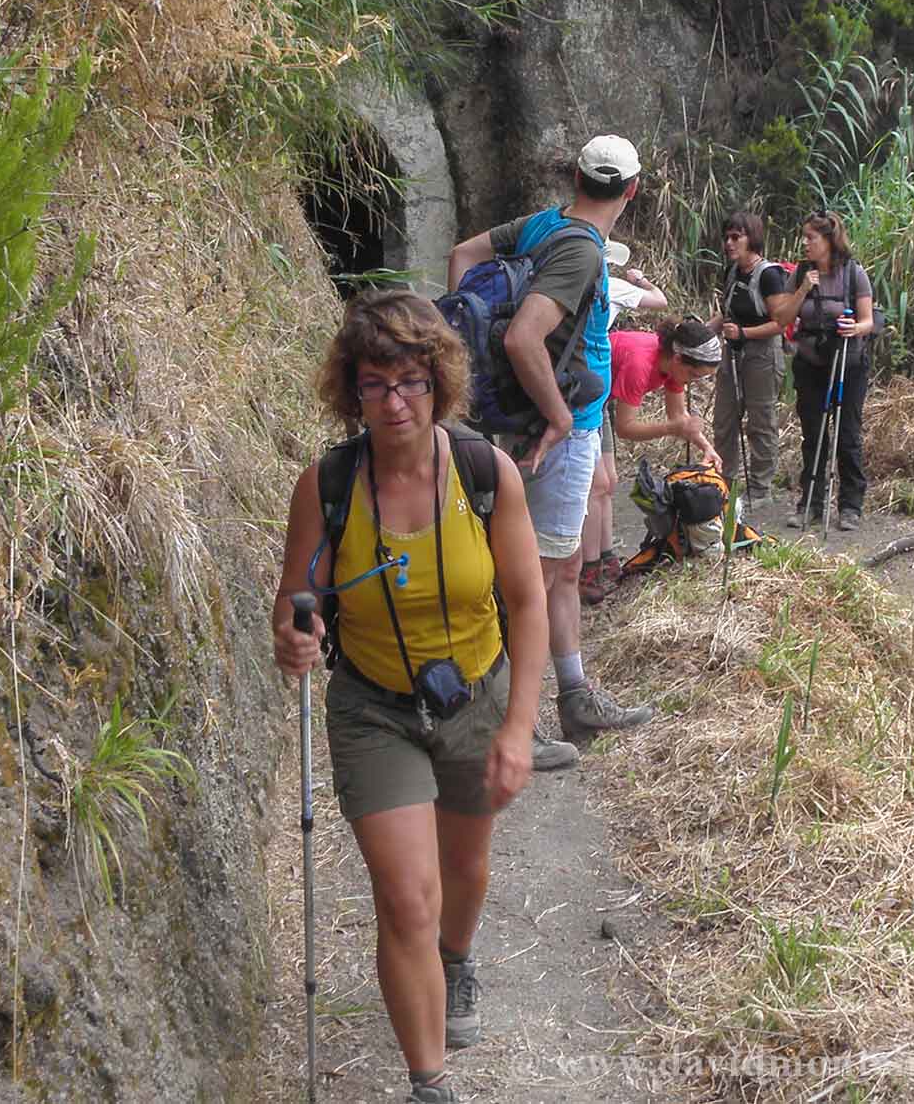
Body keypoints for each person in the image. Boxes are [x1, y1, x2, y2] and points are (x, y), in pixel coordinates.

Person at [272, 290, 548, 1104]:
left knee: (464, 867)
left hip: (475, 693)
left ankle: (456, 962)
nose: (394, 401)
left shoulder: (482, 472)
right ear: (348, 391)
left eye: (411, 381)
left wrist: (521, 727)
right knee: (405, 897)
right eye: (374, 384)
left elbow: (528, 600)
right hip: (373, 707)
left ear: (439, 383)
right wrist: (294, 637)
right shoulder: (325, 486)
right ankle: (430, 1083)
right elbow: (297, 603)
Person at [445, 134, 654, 771]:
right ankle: (514, 723)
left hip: (544, 419)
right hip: (559, 426)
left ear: (576, 176)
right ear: (632, 191)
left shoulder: (543, 224)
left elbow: (463, 254)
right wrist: (559, 417)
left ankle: (574, 694)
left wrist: (466, 359)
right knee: (531, 579)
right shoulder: (583, 252)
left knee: (559, 571)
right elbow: (525, 338)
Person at [579, 242, 669, 604]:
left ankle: (604, 557)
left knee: (609, 481)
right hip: (582, 391)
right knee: (595, 483)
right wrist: (642, 280)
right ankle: (588, 568)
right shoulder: (610, 286)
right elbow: (660, 300)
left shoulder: (601, 285)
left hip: (594, 390)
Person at [788, 210, 875, 532]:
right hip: (810, 362)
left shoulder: (854, 274)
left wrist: (855, 327)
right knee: (813, 435)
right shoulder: (800, 273)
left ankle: (851, 506)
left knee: (847, 434)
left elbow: (867, 320)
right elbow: (783, 316)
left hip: (847, 363)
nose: (805, 243)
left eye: (811, 237)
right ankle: (810, 503)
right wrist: (801, 291)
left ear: (828, 240)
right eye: (805, 237)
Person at [711, 212, 799, 516]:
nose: (729, 243)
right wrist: (701, 331)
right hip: (732, 354)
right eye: (727, 237)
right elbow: (727, 314)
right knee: (724, 420)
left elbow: (780, 322)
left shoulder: (770, 275)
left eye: (737, 237)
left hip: (762, 354)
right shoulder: (732, 271)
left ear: (753, 239)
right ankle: (725, 484)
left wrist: (744, 333)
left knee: (760, 423)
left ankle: (761, 488)